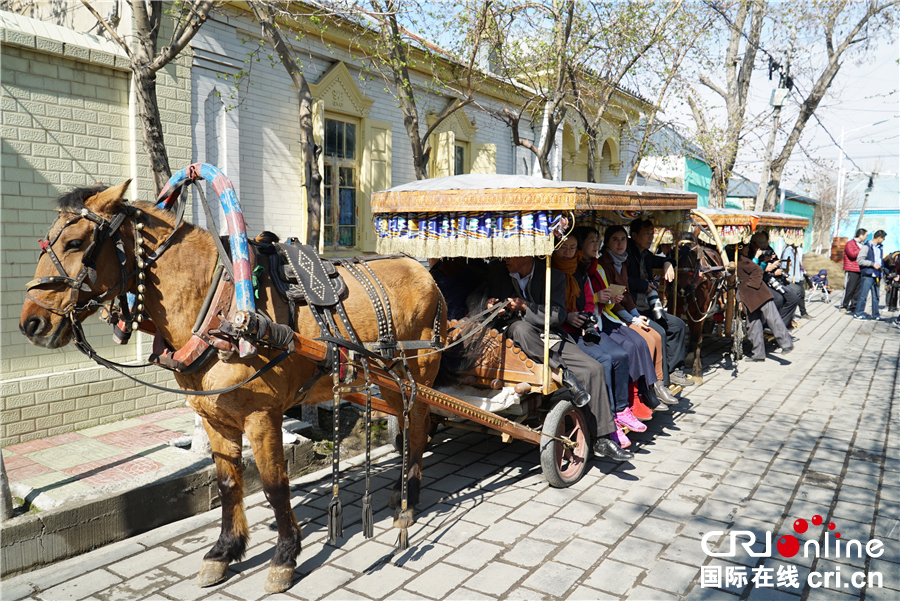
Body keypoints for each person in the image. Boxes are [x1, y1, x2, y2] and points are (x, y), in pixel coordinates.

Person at [466, 255, 633, 461]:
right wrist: (487, 303)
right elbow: (474, 297)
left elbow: (557, 316)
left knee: (594, 369)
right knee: (520, 327)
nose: (505, 258)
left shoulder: (553, 276)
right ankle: (564, 373)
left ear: (525, 254)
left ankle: (603, 438)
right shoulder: (499, 271)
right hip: (512, 337)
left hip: (548, 336)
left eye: (510, 255)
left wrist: (525, 306)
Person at [552, 235, 642, 449]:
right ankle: (608, 419)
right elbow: (551, 308)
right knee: (603, 360)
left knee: (620, 355)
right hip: (563, 332)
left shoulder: (580, 271)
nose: (568, 252)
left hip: (584, 327)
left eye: (572, 247)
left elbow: (589, 301)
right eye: (563, 247)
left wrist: (587, 320)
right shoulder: (550, 272)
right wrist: (568, 317)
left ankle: (621, 410)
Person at [596, 225, 677, 408]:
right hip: (612, 314)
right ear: (607, 243)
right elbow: (613, 301)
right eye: (615, 240)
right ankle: (645, 391)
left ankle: (659, 384)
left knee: (656, 335)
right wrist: (632, 319)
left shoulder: (622, 262)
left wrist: (635, 314)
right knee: (645, 340)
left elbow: (626, 295)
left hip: (625, 312)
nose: (620, 244)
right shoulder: (603, 264)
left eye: (623, 240)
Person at [627, 219, 693, 387]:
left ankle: (675, 370)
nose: (651, 238)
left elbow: (667, 260)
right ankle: (660, 379)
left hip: (648, 306)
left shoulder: (645, 254)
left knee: (677, 325)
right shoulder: (626, 253)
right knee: (660, 331)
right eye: (647, 234)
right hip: (631, 309)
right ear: (634, 236)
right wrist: (641, 284)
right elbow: (620, 281)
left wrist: (667, 263)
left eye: (652, 234)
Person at [737, 245, 794, 361]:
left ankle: (787, 344)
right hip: (749, 298)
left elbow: (758, 270)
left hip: (760, 294)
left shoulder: (743, 260)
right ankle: (758, 354)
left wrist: (751, 286)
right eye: (746, 247)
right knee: (753, 325)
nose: (748, 249)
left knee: (773, 318)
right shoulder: (738, 261)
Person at [751, 232, 799, 330]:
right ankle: (769, 326)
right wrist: (766, 266)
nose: (764, 246)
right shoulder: (752, 254)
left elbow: (772, 261)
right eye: (761, 245)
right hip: (760, 282)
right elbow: (754, 271)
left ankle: (781, 325)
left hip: (771, 279)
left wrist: (774, 263)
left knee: (793, 296)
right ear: (753, 244)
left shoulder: (767, 250)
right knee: (778, 299)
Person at [854, 230, 886, 321]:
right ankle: (858, 313)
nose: (883, 241)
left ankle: (875, 315)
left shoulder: (880, 248)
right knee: (863, 295)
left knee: (876, 296)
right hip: (868, 275)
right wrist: (872, 264)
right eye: (883, 239)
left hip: (877, 275)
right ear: (879, 238)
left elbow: (880, 261)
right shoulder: (866, 247)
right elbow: (860, 260)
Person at [780, 242, 812, 319]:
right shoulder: (789, 250)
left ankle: (803, 312)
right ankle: (790, 316)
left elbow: (798, 264)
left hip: (798, 276)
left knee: (802, 294)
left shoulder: (796, 250)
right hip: (792, 277)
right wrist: (787, 276)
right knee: (794, 295)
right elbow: (786, 264)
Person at [841, 229, 867, 312]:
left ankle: (853, 306)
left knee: (857, 290)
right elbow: (852, 254)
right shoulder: (850, 243)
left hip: (860, 269)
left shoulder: (862, 244)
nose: (866, 238)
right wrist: (862, 250)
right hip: (851, 269)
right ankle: (844, 305)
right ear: (861, 235)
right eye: (865, 235)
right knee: (849, 289)